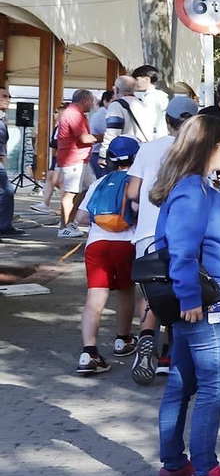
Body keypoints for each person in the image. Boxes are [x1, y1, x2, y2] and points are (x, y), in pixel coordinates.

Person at [150, 115, 220, 476]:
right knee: (214, 385)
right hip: (203, 300)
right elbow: (182, 250)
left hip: (199, 297)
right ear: (207, 148)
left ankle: (174, 465)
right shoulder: (192, 190)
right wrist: (190, 297)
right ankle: (204, 472)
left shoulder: (199, 187)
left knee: (183, 382)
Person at [126, 96, 200, 386]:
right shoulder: (196, 152)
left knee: (151, 292)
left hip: (146, 233)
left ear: (167, 121)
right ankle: (169, 354)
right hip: (181, 231)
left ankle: (146, 337)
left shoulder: (148, 148)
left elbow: (133, 192)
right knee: (179, 291)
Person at [75, 135, 142, 375]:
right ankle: (123, 339)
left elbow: (81, 218)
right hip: (126, 244)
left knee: (95, 296)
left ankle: (89, 353)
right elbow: (137, 211)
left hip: (96, 245)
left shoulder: (98, 183)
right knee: (125, 291)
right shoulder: (137, 183)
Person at [55, 89, 97, 237]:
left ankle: (70, 222)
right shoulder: (73, 114)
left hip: (80, 158)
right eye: (91, 101)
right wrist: (106, 136)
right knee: (71, 193)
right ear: (85, 100)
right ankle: (64, 227)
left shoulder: (76, 113)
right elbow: (84, 138)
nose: (92, 104)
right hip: (73, 158)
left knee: (88, 189)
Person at [0, 86, 16, 238]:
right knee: (6, 191)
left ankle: (5, 226)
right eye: (4, 96)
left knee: (6, 192)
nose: (8, 99)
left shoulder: (2, 117)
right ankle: (4, 226)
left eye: (9, 96)